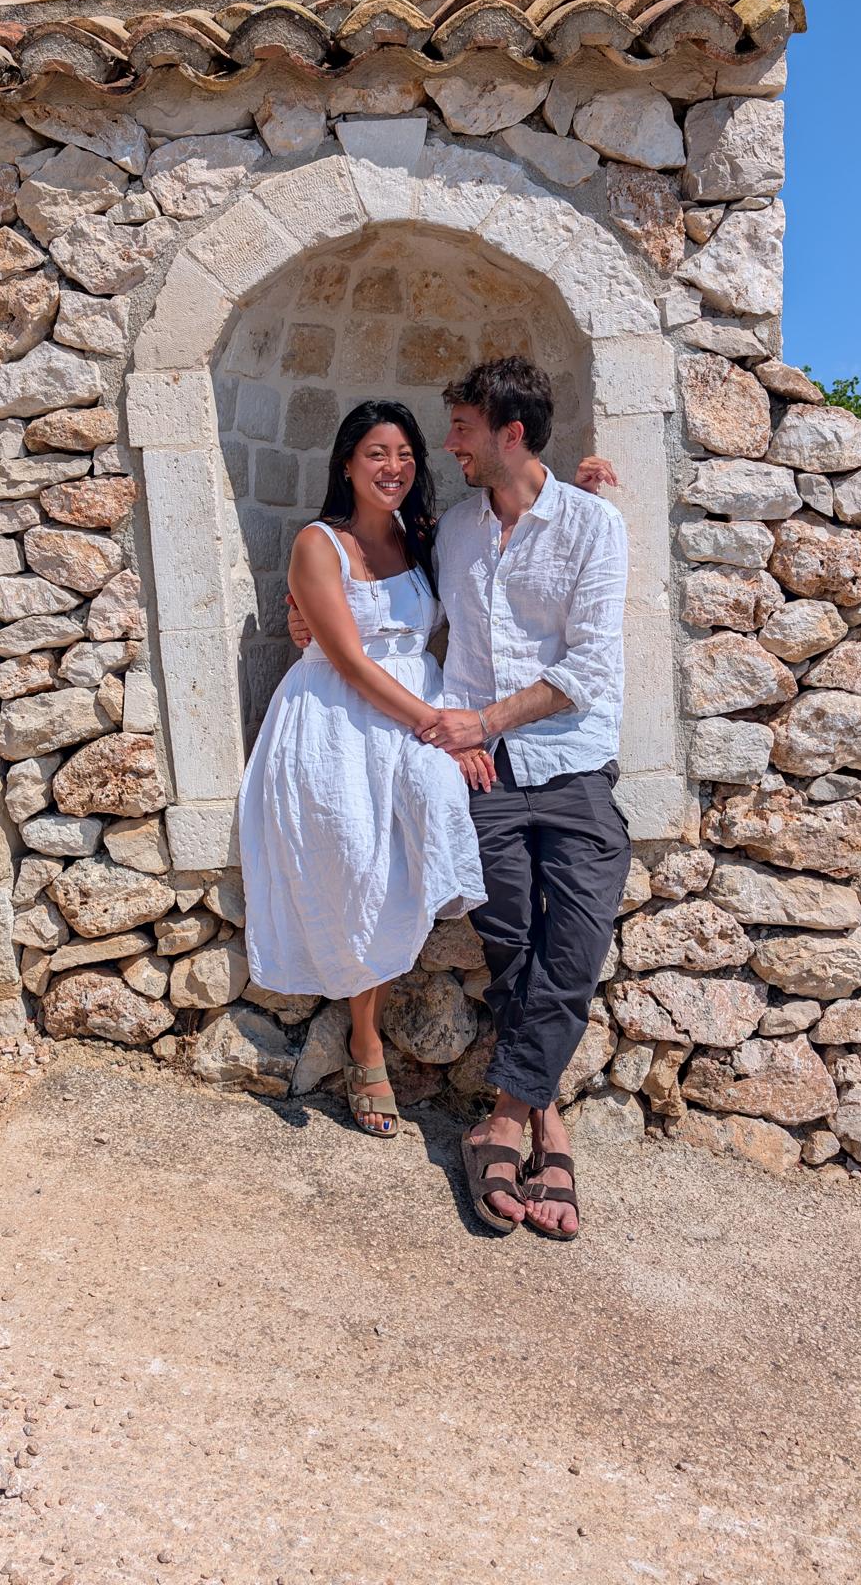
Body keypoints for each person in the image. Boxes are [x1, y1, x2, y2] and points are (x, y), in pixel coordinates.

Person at [288, 360, 628, 1241]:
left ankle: (505, 1117)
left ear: (510, 433)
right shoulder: (454, 530)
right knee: (514, 942)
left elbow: (588, 669)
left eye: (462, 428)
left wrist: (482, 721)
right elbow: (362, 593)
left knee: (578, 938)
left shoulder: (595, 523)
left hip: (572, 763)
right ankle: (544, 1123)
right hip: (482, 771)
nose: (450, 446)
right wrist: (310, 623)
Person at [239, 400, 491, 1140]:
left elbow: (506, 543)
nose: (394, 467)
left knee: (442, 796)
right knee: (354, 851)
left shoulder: (425, 537)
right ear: (347, 462)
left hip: (414, 696)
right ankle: (365, 1038)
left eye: (407, 454)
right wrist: (431, 723)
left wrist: (583, 486)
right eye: (378, 453)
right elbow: (346, 659)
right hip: (339, 711)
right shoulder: (321, 543)